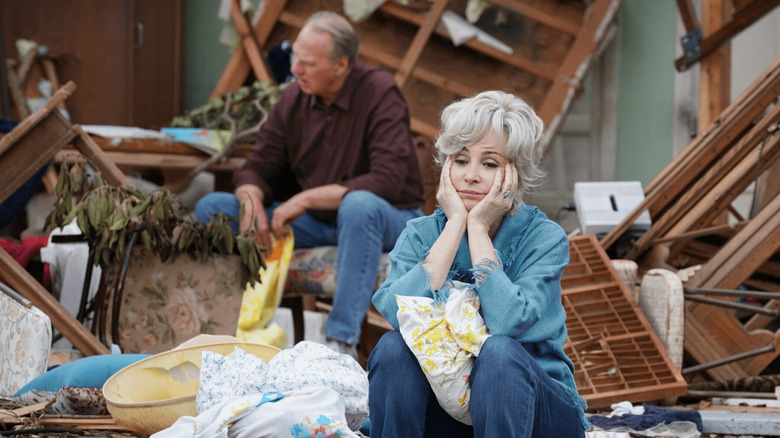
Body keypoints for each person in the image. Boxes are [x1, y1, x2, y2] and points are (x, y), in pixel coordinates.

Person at [194, 11, 425, 358]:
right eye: (295, 57)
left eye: (308, 62)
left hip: (386, 218)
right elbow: (256, 168)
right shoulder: (292, 98)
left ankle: (339, 345)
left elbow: (387, 180)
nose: (296, 68)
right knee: (212, 207)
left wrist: (305, 199)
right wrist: (251, 201)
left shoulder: (380, 92)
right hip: (319, 225)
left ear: (341, 65)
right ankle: (224, 332)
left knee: (358, 205)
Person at [367, 90, 589, 436]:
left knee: (497, 352)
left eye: (489, 164)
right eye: (460, 160)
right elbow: (396, 313)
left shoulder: (545, 239)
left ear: (516, 174)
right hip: (449, 406)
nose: (470, 175)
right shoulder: (423, 233)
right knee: (393, 348)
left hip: (536, 412)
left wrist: (479, 229)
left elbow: (507, 323)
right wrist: (454, 225)